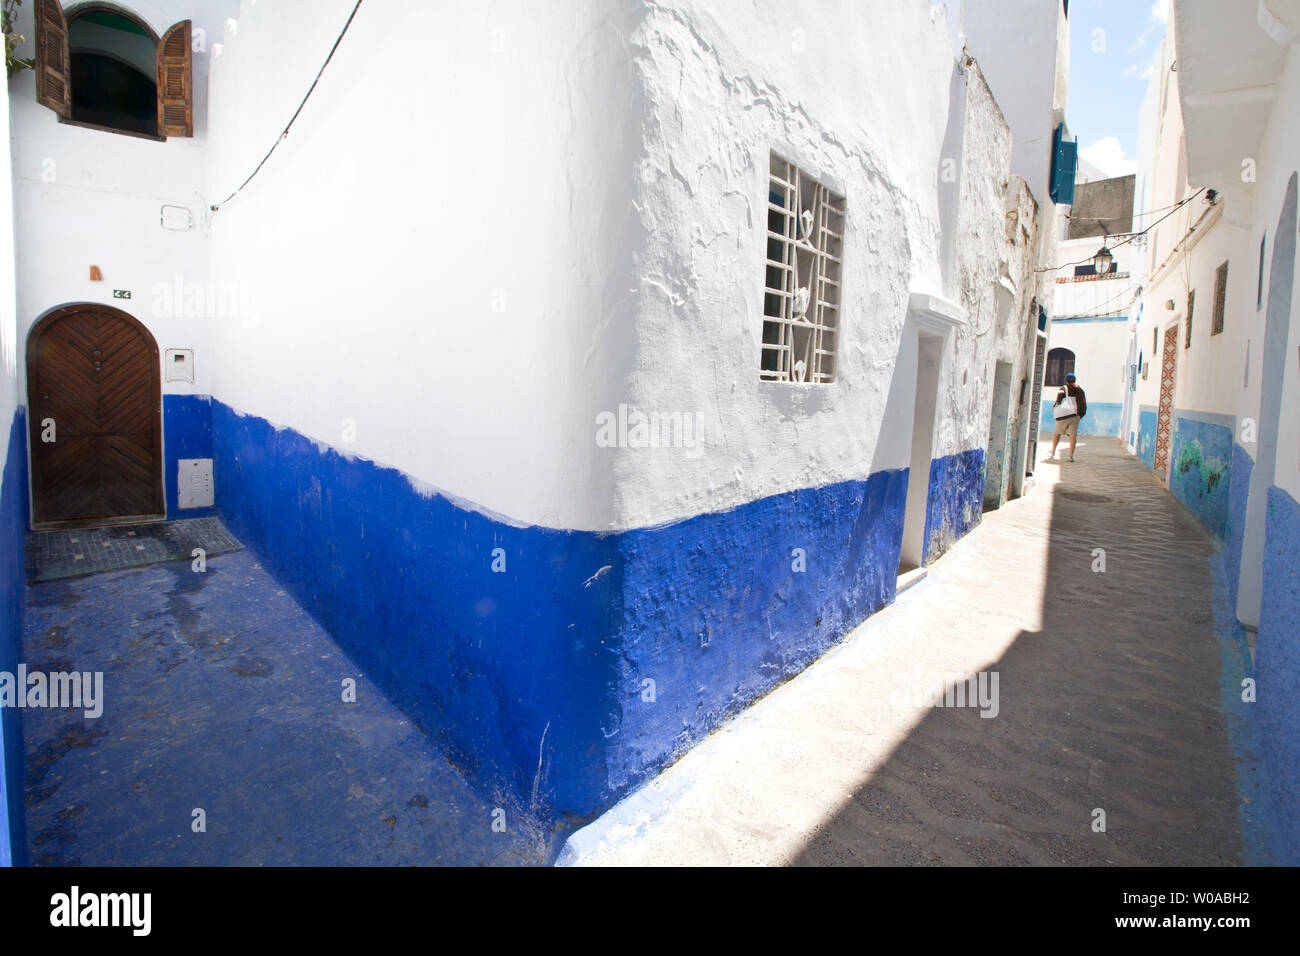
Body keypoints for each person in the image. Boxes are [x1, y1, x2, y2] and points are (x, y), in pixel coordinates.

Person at [1049, 373, 1087, 462]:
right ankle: (1070, 456)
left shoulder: (1063, 389)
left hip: (1063, 415)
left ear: (1066, 380)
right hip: (1075, 415)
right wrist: (1080, 415)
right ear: (1074, 380)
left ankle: (1053, 452)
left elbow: (1058, 401)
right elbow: (1084, 404)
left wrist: (1055, 409)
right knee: (1073, 436)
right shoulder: (1080, 390)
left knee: (1057, 433)